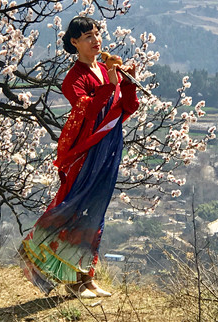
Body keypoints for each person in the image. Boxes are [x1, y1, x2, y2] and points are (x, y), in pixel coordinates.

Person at [19, 16, 139, 298]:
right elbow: (88, 110)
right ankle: (70, 279)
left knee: (96, 210)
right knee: (78, 208)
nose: (95, 40)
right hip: (88, 151)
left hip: (110, 145)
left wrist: (128, 81)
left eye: (97, 34)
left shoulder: (103, 68)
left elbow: (125, 107)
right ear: (74, 43)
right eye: (87, 37)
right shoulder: (74, 78)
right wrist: (111, 81)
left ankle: (86, 277)